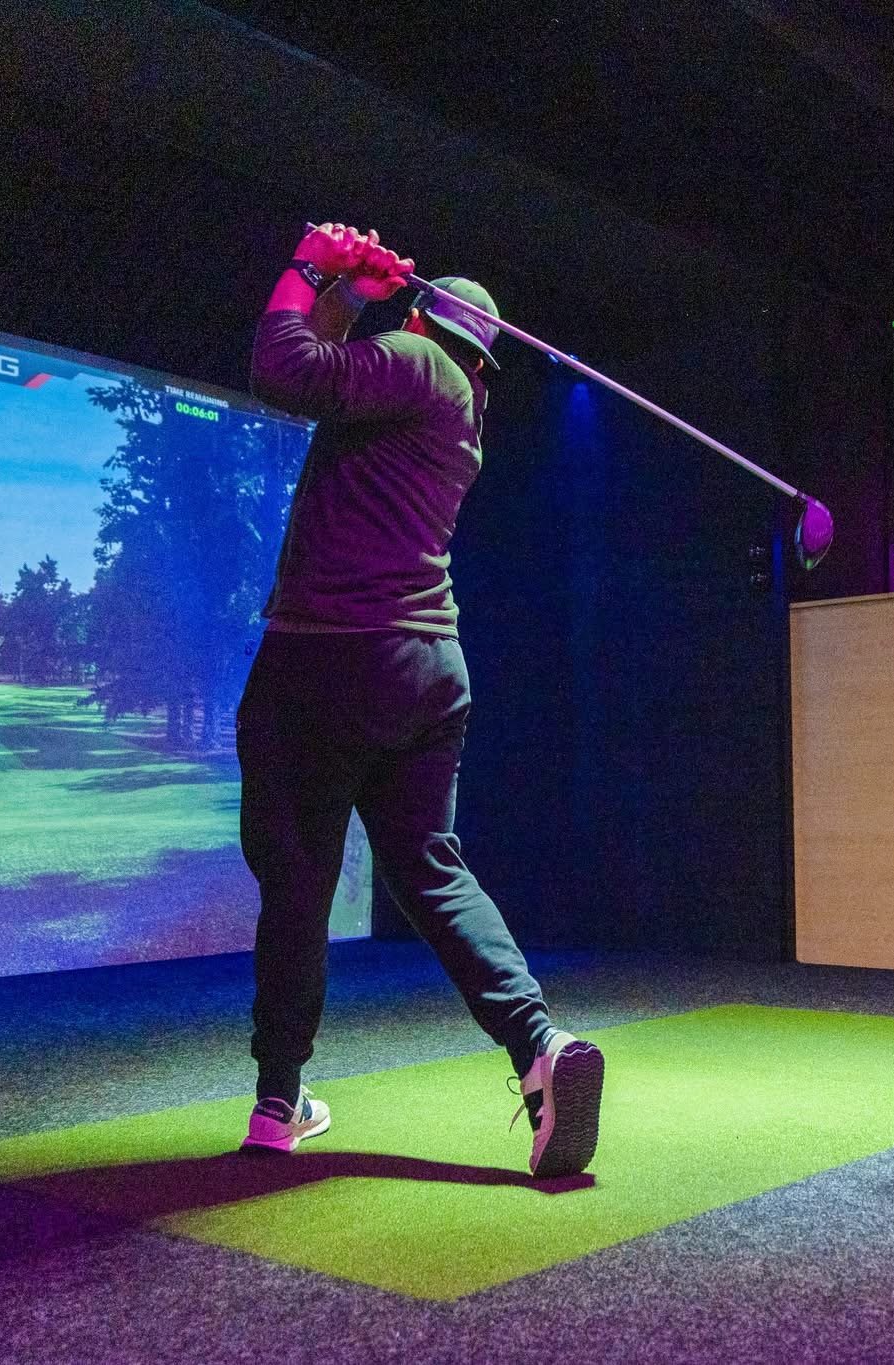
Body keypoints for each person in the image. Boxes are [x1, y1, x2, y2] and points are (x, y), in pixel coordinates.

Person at [236, 222, 604, 1179]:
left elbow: (282, 366)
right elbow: (324, 367)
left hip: (329, 660)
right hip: (426, 667)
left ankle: (278, 1099)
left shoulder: (415, 364)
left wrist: (311, 264)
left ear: (425, 320)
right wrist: (354, 294)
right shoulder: (461, 398)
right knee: (430, 867)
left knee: (299, 874)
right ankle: (539, 1046)